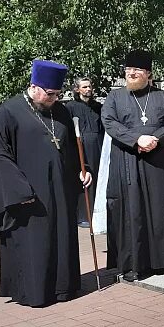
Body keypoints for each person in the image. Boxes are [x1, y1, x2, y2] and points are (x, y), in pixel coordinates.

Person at [0, 60, 88, 307]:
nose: (54, 98)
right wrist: (20, 190)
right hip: (29, 194)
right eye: (50, 94)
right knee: (35, 242)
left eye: (58, 94)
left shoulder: (61, 111)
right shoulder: (9, 112)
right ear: (34, 87)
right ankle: (33, 292)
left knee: (62, 237)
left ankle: (64, 288)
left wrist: (82, 172)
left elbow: (71, 150)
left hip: (60, 190)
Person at [101, 50, 164, 282]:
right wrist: (136, 140)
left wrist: (156, 138)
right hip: (128, 160)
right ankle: (135, 265)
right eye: (128, 71)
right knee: (133, 213)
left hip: (158, 162)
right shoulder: (114, 97)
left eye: (136, 71)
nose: (131, 74)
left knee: (161, 211)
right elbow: (108, 122)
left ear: (148, 73)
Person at [64, 77, 104, 227]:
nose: (88, 89)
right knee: (85, 178)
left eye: (90, 86)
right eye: (85, 87)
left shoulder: (98, 107)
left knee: (99, 177)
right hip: (81, 146)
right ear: (77, 89)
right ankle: (84, 215)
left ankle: (98, 213)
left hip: (98, 146)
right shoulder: (71, 107)